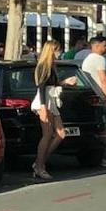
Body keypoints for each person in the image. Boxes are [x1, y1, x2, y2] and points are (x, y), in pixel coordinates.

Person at [81, 35, 106, 168]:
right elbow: (104, 79)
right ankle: (105, 154)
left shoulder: (87, 59)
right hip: (102, 97)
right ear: (97, 45)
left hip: (95, 98)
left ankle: (104, 154)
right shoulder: (99, 59)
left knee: (103, 129)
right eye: (104, 45)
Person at [32, 41, 67, 180]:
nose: (59, 53)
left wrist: (64, 82)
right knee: (47, 134)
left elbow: (51, 85)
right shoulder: (43, 66)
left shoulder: (51, 66)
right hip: (45, 102)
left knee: (60, 134)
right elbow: (41, 87)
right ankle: (40, 166)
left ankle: (39, 162)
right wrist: (43, 106)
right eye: (57, 50)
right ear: (51, 51)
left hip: (51, 101)